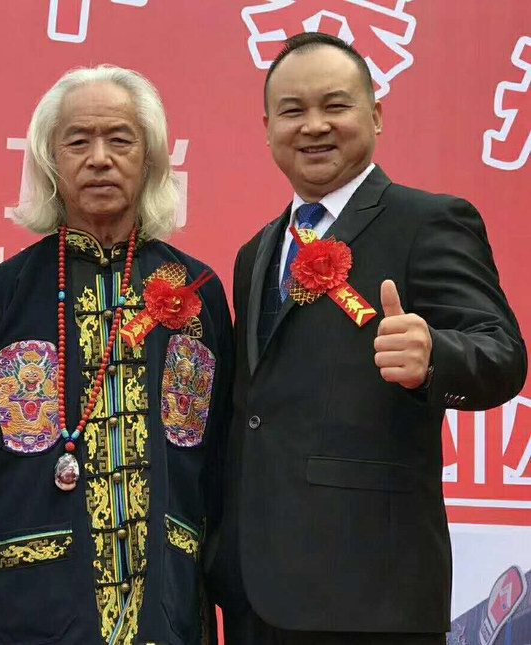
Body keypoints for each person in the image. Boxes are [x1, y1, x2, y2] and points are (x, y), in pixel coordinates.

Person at [205, 31, 528, 644]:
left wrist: (435, 356)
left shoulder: (428, 221)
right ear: (268, 128)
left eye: (336, 105)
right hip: (254, 593)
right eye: (293, 111)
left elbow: (502, 354)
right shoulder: (257, 251)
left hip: (370, 593)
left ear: (376, 115)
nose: (314, 126)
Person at [0, 65, 233, 644]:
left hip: (166, 594)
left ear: (150, 159)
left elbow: (216, 464)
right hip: (35, 599)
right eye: (78, 142)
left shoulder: (198, 291)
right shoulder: (3, 294)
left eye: (120, 140)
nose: (100, 159)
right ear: (50, 161)